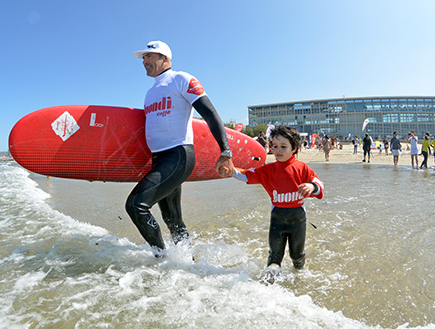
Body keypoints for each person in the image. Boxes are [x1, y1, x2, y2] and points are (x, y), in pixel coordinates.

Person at [127, 41, 233, 256]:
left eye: (149, 57)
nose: (144, 61)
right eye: (144, 58)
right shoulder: (150, 92)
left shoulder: (182, 79)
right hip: (160, 159)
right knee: (173, 219)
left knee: (136, 205)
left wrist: (225, 151)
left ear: (164, 58)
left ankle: (162, 257)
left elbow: (210, 114)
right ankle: (186, 260)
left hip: (178, 155)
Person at [227, 126, 323, 282]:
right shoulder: (268, 170)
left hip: (298, 220)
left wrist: (312, 187)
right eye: (274, 146)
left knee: (296, 254)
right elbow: (247, 175)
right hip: (277, 219)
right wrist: (231, 171)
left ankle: (300, 276)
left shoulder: (302, 168)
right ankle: (268, 287)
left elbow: (319, 184)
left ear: (294, 149)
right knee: (274, 256)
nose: (278, 150)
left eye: (283, 147)